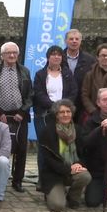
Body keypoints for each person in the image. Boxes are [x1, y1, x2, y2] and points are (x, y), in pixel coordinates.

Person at [0, 41, 33, 193]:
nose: (12, 55)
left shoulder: (25, 71)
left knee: (21, 149)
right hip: (1, 115)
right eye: (8, 53)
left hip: (20, 114)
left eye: (15, 53)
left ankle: (17, 180)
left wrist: (22, 112)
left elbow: (30, 95)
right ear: (2, 55)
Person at [33, 45, 77, 189]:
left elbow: (73, 92)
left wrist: (63, 108)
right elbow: (38, 94)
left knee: (63, 146)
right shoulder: (40, 74)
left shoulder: (67, 74)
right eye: (53, 54)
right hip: (45, 115)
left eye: (59, 54)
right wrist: (54, 107)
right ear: (48, 57)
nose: (56, 57)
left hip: (63, 115)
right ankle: (42, 179)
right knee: (44, 147)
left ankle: (63, 176)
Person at [39, 99, 91, 211]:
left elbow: (84, 153)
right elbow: (48, 160)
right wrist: (68, 169)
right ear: (56, 115)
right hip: (53, 174)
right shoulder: (47, 131)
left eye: (68, 111)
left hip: (73, 170)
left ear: (72, 113)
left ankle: (73, 197)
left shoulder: (78, 130)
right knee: (57, 206)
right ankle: (52, 192)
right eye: (62, 112)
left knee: (85, 176)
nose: (65, 114)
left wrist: (78, 164)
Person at [83, 87, 107, 208]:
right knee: (92, 202)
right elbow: (85, 143)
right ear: (98, 103)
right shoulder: (90, 121)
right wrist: (100, 128)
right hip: (98, 171)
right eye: (105, 100)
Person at [63, 28, 96, 122]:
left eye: (77, 39)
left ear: (81, 41)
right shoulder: (58, 57)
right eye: (71, 39)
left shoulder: (90, 60)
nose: (74, 41)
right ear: (65, 41)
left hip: (82, 104)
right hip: (62, 102)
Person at [81, 43, 107, 119]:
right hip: (94, 114)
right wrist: (93, 110)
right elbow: (85, 95)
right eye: (103, 55)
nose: (106, 57)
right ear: (97, 57)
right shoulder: (90, 74)